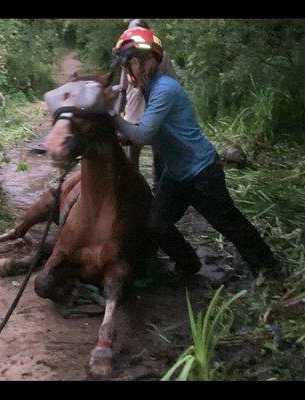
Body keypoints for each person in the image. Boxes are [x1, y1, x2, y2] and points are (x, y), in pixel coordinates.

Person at [110, 26, 278, 278]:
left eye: (128, 64)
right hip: (176, 173)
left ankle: (269, 269)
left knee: (228, 223)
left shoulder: (164, 89)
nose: (127, 71)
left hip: (201, 172)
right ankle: (188, 262)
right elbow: (150, 130)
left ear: (144, 63)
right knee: (157, 223)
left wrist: (112, 115)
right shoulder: (149, 88)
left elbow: (143, 134)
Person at [113, 19, 176, 191]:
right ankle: (134, 188)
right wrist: (117, 116)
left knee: (160, 153)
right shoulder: (125, 56)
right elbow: (123, 89)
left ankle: (160, 189)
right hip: (134, 112)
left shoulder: (161, 56)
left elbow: (172, 85)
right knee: (132, 156)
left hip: (156, 113)